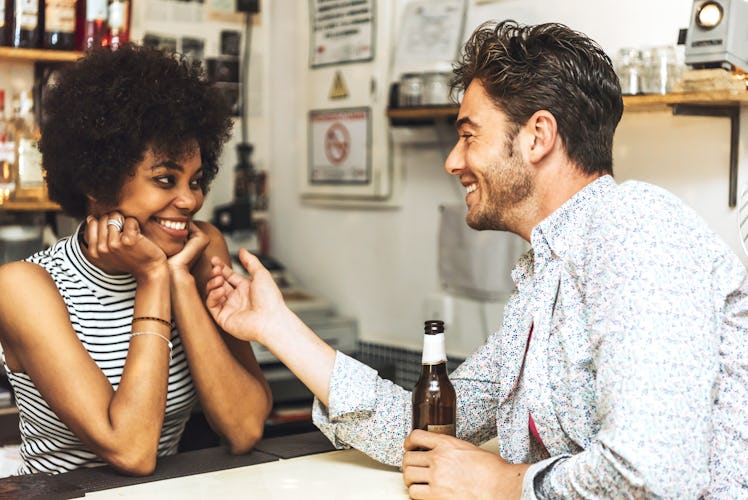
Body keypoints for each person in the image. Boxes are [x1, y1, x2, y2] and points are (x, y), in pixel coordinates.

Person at [205, 20, 748, 499]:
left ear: (538, 136)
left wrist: (501, 484)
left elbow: (652, 474)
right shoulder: (544, 275)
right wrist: (275, 326)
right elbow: (423, 430)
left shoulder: (635, 228)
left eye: (468, 136)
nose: (453, 160)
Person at [0, 44, 272, 476]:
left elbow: (244, 427)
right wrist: (151, 279)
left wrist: (179, 281)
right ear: (98, 181)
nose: (190, 200)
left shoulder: (199, 253)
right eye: (165, 179)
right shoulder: (23, 287)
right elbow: (131, 449)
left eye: (197, 181)